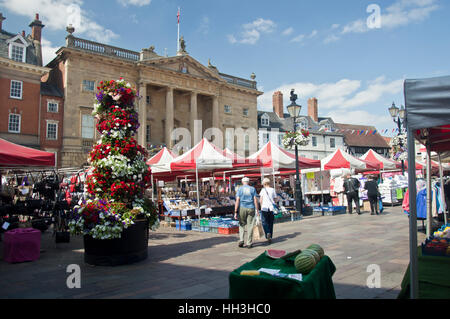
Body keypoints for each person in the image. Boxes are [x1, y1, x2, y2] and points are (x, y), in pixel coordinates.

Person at [234, 177, 259, 249]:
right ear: (248, 182)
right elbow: (255, 199)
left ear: (242, 182)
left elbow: (237, 200)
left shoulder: (240, 189)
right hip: (251, 207)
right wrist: (257, 210)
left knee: (241, 224)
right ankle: (249, 242)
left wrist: (235, 211)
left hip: (242, 207)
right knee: (250, 225)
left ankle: (241, 239)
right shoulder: (252, 189)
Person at [259, 178, 278, 244]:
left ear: (264, 183)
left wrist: (261, 206)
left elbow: (261, 200)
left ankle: (267, 233)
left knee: (264, 222)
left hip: (264, 208)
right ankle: (270, 234)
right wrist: (275, 203)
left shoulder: (262, 190)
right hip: (271, 208)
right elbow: (275, 199)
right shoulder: (272, 189)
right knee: (270, 222)